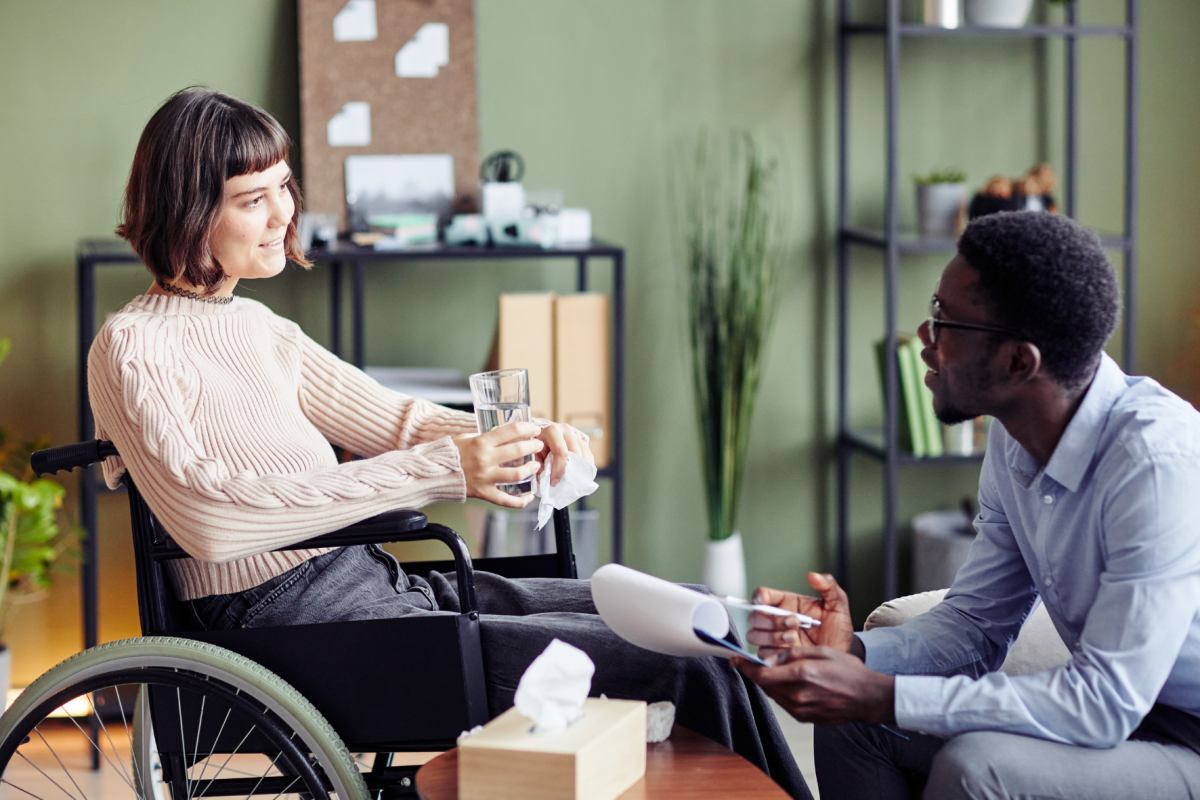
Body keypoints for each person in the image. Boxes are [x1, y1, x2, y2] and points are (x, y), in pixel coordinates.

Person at [88, 87, 810, 798]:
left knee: (688, 617)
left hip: (372, 583)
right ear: (188, 211)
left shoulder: (261, 329)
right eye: (254, 199)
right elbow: (211, 520)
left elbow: (398, 422)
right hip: (290, 623)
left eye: (284, 186)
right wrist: (441, 471)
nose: (284, 213)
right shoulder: (130, 347)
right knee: (683, 663)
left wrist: (517, 437)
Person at [735, 211, 1200, 799]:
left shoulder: (1154, 465)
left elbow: (1103, 703)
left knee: (976, 766)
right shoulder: (1013, 436)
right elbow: (977, 626)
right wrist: (850, 654)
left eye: (944, 320)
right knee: (850, 716)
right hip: (1127, 718)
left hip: (1185, 737)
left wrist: (883, 694)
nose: (923, 338)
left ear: (1018, 361)